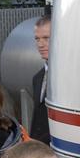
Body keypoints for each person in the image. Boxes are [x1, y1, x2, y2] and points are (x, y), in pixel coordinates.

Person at [28, 15, 51, 144]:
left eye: (46, 38)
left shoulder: (71, 77)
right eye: (37, 39)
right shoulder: (37, 78)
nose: (41, 44)